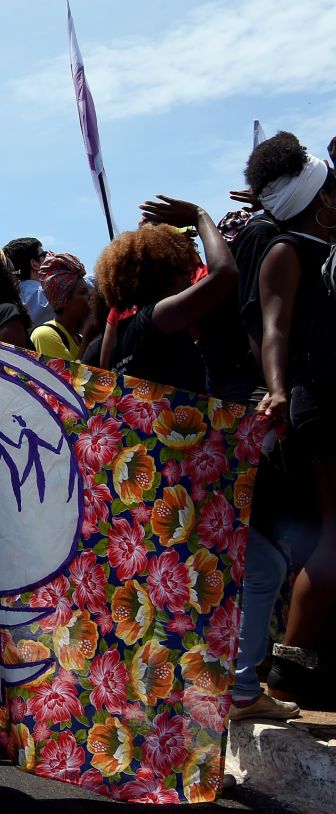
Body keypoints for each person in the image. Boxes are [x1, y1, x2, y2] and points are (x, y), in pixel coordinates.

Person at [233, 132, 336, 706]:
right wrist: (275, 391)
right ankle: (289, 666)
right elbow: (272, 329)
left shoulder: (322, 250)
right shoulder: (286, 252)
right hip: (315, 404)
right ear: (317, 201)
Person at [92, 197, 237, 395]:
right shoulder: (157, 317)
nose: (190, 275)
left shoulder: (126, 331)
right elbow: (224, 273)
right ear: (166, 272)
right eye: (184, 268)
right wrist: (199, 216)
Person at [28, 253, 89, 361]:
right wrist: (89, 337)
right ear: (63, 301)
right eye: (83, 292)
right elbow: (69, 377)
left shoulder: (79, 338)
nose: (89, 296)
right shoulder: (45, 335)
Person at [3, 236, 55, 326]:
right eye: (44, 255)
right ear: (34, 264)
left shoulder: (6, 299)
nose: (48, 258)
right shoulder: (48, 294)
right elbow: (82, 285)